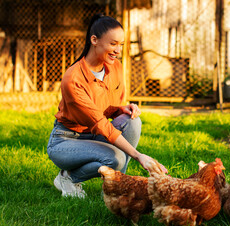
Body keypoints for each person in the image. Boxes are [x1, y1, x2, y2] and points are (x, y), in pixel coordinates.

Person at [47, 14, 167, 198]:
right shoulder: (73, 79)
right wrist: (139, 156)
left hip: (95, 134)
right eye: (113, 44)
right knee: (115, 159)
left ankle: (119, 186)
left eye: (121, 45)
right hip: (67, 140)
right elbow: (101, 124)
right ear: (94, 40)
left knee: (133, 121)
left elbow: (108, 107)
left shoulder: (115, 67)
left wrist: (121, 109)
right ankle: (69, 178)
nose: (118, 50)